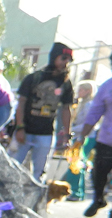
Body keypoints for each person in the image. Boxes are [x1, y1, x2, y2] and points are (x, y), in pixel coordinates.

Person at [11, 42, 74, 181]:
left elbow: (66, 109)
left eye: (68, 60)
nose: (65, 63)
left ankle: (33, 200)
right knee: (13, 167)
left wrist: (67, 135)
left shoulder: (66, 83)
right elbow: (21, 103)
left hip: (45, 133)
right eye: (63, 58)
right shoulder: (34, 78)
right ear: (54, 57)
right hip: (26, 130)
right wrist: (20, 127)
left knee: (39, 174)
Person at [77, 50, 112, 218]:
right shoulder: (107, 86)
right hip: (107, 140)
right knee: (98, 173)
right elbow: (94, 112)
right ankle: (98, 198)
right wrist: (82, 136)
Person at [63, 80, 97, 202]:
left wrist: (71, 130)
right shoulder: (81, 104)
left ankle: (76, 191)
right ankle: (75, 190)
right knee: (75, 162)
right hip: (78, 136)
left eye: (81, 90)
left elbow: (87, 124)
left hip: (85, 137)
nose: (79, 92)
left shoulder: (89, 105)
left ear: (88, 91)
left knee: (76, 163)